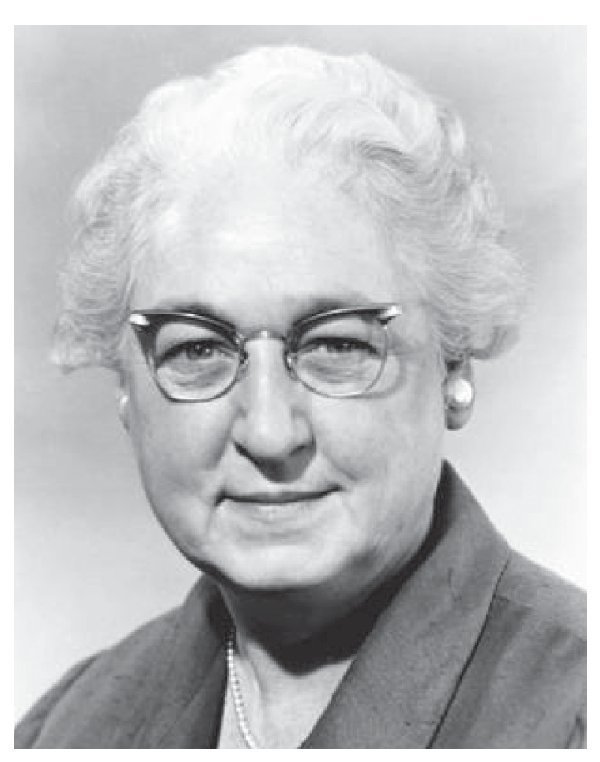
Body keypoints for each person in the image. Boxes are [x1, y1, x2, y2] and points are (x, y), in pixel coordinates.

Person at [15, 45, 585, 749]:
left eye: (337, 345)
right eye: (197, 350)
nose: (269, 432)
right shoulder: (66, 731)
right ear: (124, 388)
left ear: (455, 365)